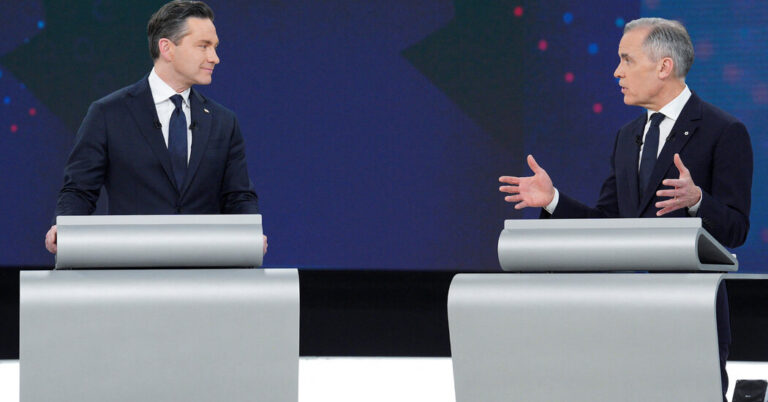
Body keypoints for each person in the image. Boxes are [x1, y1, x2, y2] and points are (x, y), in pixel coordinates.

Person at [499, 18, 752, 399]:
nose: (617, 71)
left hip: (691, 317)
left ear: (664, 66)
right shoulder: (627, 136)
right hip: (626, 315)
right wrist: (552, 200)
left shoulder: (723, 131)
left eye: (627, 60)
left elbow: (736, 229)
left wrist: (698, 201)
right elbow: (607, 225)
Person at [45, 0, 267, 255]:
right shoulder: (108, 114)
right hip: (131, 263)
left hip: (204, 266)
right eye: (203, 46)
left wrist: (250, 237)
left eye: (214, 47)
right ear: (167, 48)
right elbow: (79, 191)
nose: (214, 58)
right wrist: (65, 229)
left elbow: (238, 196)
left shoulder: (223, 122)